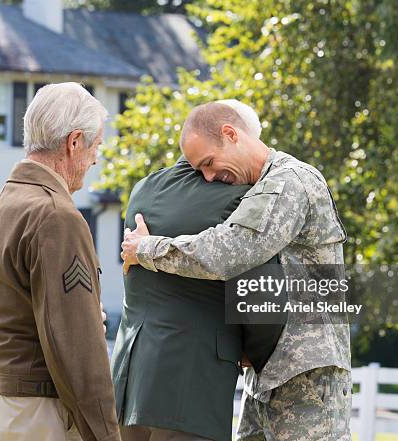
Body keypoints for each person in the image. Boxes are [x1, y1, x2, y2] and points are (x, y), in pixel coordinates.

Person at [122, 102, 352, 441]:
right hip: (266, 373)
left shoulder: (290, 181)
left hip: (305, 376)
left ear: (231, 135)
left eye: (209, 163)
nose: (209, 177)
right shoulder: (255, 188)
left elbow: (231, 251)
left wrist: (147, 249)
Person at [112, 100, 283, 441]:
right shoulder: (239, 200)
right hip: (190, 388)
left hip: (128, 383)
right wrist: (259, 353)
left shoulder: (143, 189)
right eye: (205, 164)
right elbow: (262, 301)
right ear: (231, 135)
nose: (210, 175)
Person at [0, 83, 120, 441]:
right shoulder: (57, 216)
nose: (95, 159)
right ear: (74, 142)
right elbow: (76, 346)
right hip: (39, 410)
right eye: (96, 147)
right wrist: (106, 434)